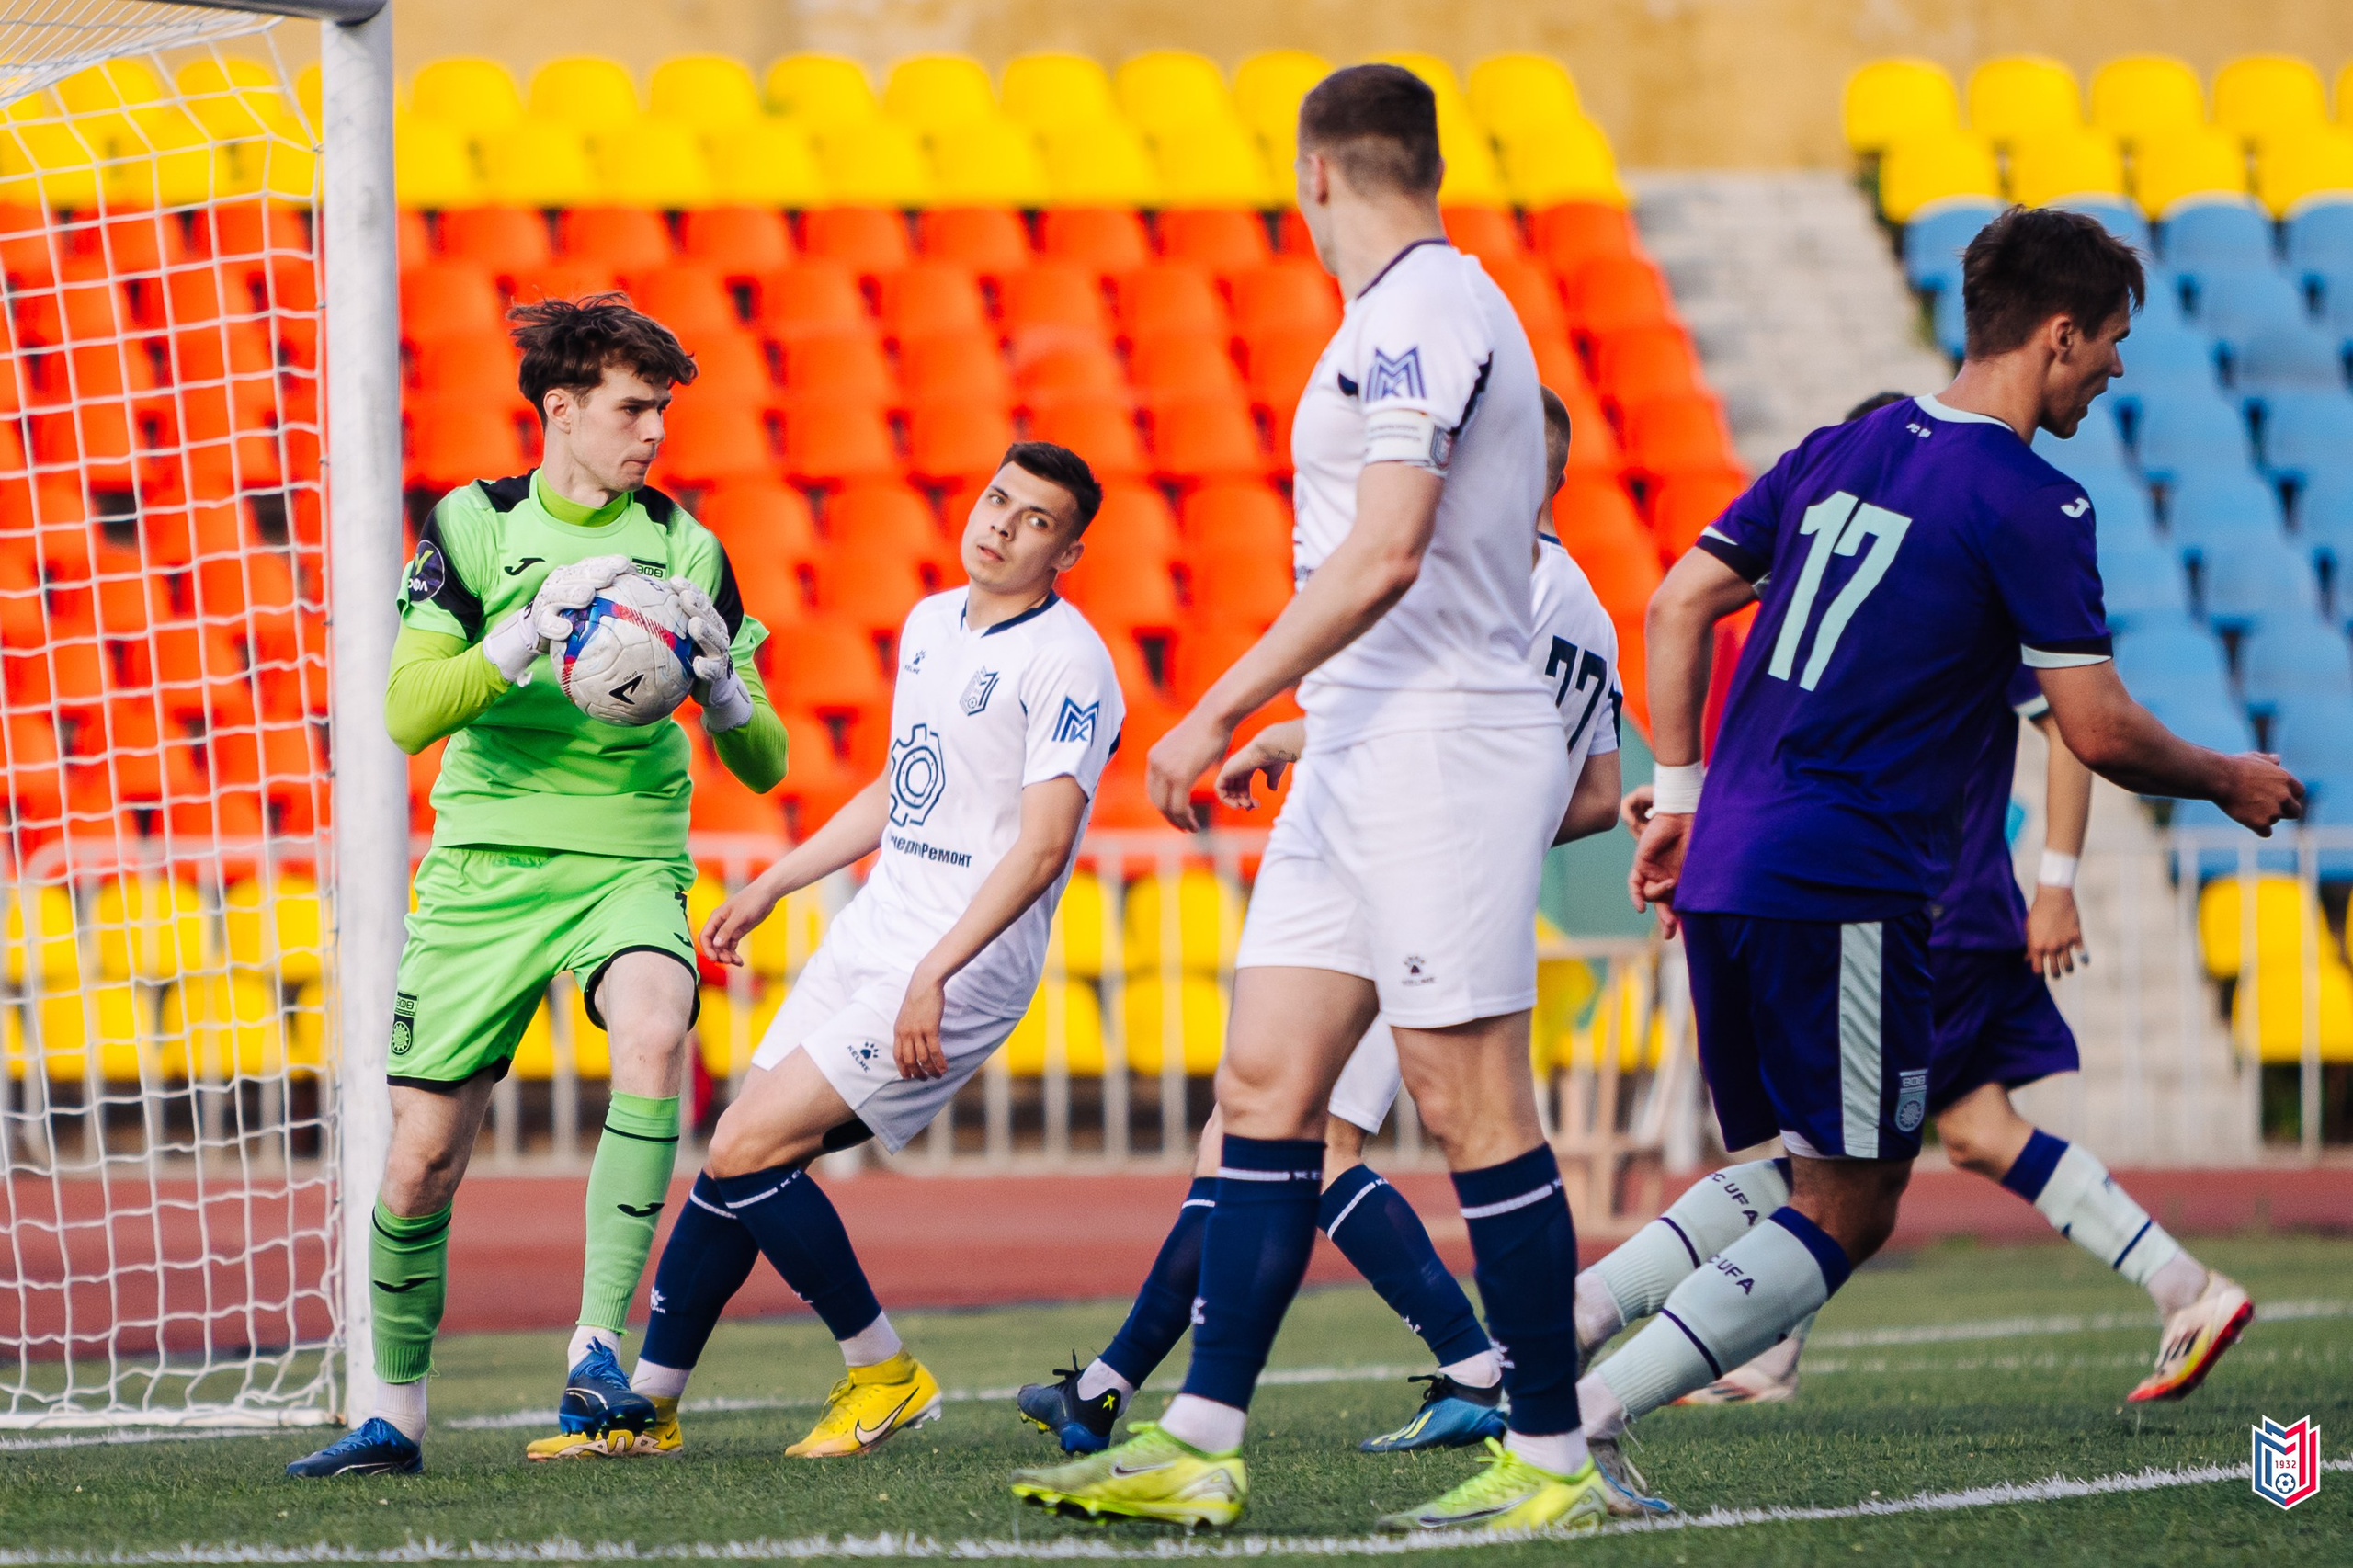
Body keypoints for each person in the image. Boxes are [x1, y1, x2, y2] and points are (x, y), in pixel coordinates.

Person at [1568, 207, 2302, 1494]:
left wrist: (1677, 792)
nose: (2118, 371)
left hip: (1732, 855)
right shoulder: (2032, 496)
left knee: (1799, 1164)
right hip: (1843, 871)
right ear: (2060, 334)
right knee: (1855, 1200)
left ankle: (1545, 1351)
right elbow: (2093, 725)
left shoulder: (1844, 443)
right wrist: (2223, 775)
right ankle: (1581, 1417)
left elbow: (1678, 598)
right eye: (2111, 345)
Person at [1009, 66, 1607, 1536]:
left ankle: (1552, 1456)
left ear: (1315, 174)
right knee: (1265, 1093)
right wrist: (1305, 729)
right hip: (1360, 746)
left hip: (1441, 750)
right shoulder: (1402, 312)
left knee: (1472, 1103)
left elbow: (1391, 549)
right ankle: (1201, 1437)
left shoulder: (1419, 309)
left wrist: (1220, 705)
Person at [287, 297, 789, 1477]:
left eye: (661, 409)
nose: (653, 431)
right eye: (632, 406)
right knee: (420, 1162)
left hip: (627, 856)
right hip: (484, 870)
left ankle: (596, 1345)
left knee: (658, 1026)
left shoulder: (689, 547)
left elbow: (765, 763)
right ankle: (395, 1415)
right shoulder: (470, 527)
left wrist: (722, 690)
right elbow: (408, 713)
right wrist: (520, 634)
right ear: (559, 410)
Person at [596, 444, 1121, 1461]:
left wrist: (935, 972)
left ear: (1070, 550)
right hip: (876, 931)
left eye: (1036, 519)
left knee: (749, 1148)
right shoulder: (930, 623)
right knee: (736, 1154)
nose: (1003, 524)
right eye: (997, 497)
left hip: (960, 962)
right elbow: (899, 788)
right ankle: (647, 1405)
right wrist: (774, 881)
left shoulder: (1069, 660)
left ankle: (884, 1370)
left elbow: (1046, 841)